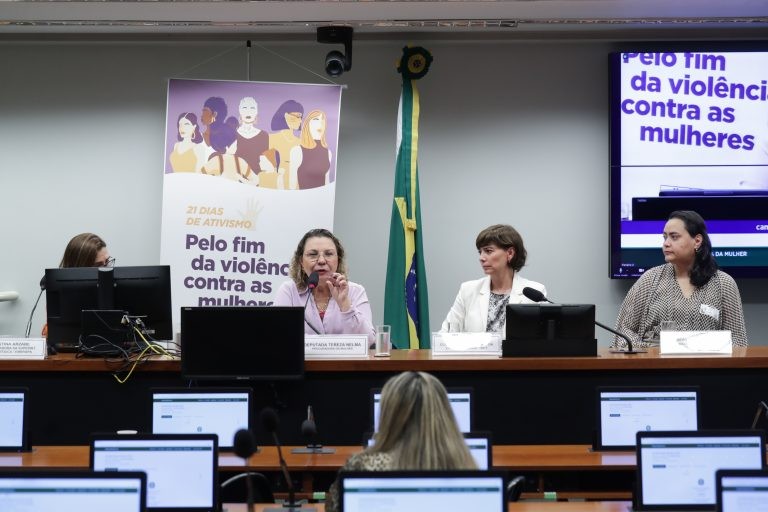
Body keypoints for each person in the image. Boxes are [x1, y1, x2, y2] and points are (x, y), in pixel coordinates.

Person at [325, 371, 477, 512]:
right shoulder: (468, 468)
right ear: (444, 415)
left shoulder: (362, 467)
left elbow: (332, 507)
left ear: (388, 416)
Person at [613, 210, 748, 348]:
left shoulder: (724, 284)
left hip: (706, 366)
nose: (666, 243)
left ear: (697, 241)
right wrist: (648, 353)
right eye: (665, 237)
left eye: (674, 237)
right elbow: (624, 330)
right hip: (654, 366)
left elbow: (737, 340)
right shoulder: (649, 279)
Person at [441, 224, 546, 333]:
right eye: (480, 252)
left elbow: (543, 341)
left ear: (510, 253)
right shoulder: (468, 290)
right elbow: (445, 334)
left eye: (488, 251)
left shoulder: (536, 293)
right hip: (475, 351)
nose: (481, 258)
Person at [274, 228, 374, 342]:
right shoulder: (289, 291)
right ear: (301, 262)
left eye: (329, 254)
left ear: (338, 259)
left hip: (345, 360)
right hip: (301, 360)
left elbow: (369, 341)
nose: (321, 260)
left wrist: (345, 304)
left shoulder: (355, 291)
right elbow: (278, 337)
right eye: (313, 254)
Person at [43, 233, 113, 337]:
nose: (106, 269)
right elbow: (55, 335)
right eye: (98, 265)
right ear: (79, 267)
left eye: (107, 262)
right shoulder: (60, 296)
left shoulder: (116, 287)